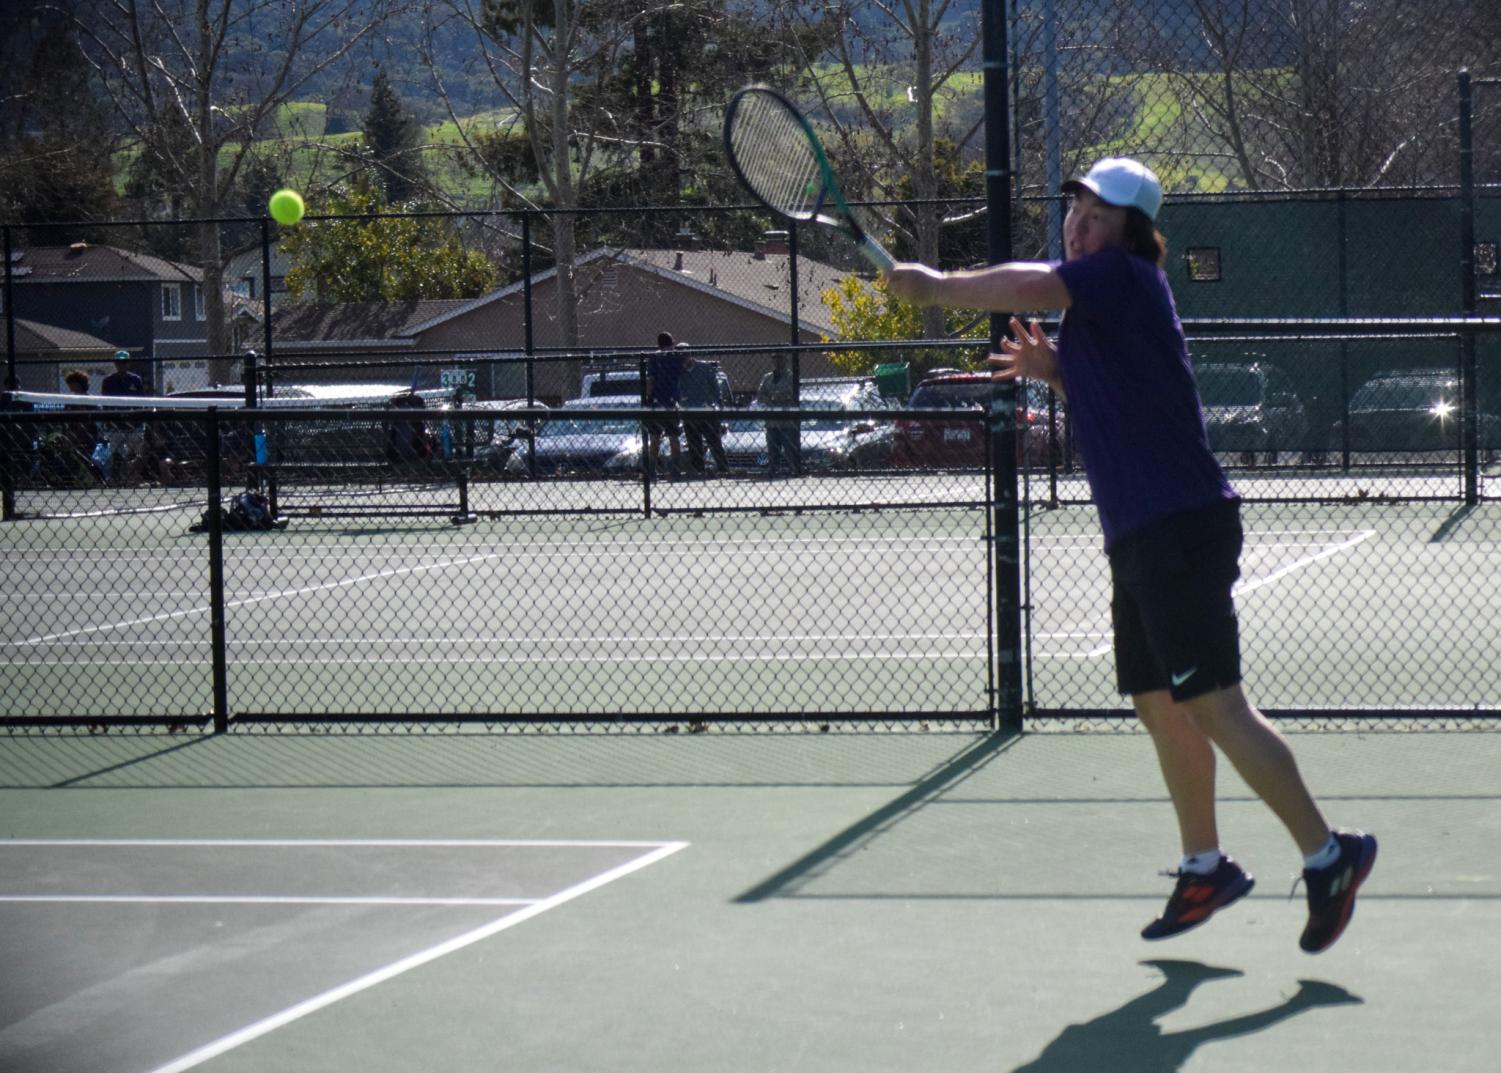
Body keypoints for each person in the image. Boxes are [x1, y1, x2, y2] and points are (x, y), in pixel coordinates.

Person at [884, 156, 1376, 954]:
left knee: (1215, 703)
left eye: (1099, 214)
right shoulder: (1101, 311)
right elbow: (1127, 396)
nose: (1080, 223)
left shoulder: (1118, 277)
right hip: (1142, 534)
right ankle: (1204, 866)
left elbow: (1026, 284)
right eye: (1075, 208)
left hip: (1178, 526)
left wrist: (937, 285)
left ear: (1132, 233)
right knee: (1157, 700)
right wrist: (1056, 370)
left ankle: (1329, 854)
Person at [676, 342, 729, 476]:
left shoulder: (704, 368)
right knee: (694, 444)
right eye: (680, 357)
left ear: (691, 354)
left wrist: (719, 406)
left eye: (685, 355)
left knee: (714, 442)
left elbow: (715, 389)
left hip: (707, 411)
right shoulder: (678, 372)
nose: (684, 359)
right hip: (689, 412)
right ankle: (699, 470)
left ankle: (724, 469)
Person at [100, 349, 147, 483]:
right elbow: (106, 403)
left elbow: (141, 401)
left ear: (128, 363)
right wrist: (110, 421)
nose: (122, 365)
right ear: (115, 363)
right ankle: (116, 479)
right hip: (115, 424)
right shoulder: (108, 381)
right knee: (116, 453)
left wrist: (137, 419)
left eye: (124, 362)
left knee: (134, 453)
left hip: (133, 424)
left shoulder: (135, 380)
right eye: (119, 362)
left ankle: (132, 477)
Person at [645, 331, 685, 477]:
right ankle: (676, 469)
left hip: (657, 402)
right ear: (672, 343)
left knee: (655, 436)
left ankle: (651, 469)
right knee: (673, 436)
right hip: (672, 401)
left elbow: (651, 379)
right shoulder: (676, 357)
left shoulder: (655, 357)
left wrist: (648, 397)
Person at [755, 352, 798, 478]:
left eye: (780, 358)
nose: (777, 361)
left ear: (786, 360)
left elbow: (790, 394)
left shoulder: (792, 377)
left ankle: (793, 469)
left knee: (789, 447)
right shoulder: (767, 377)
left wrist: (774, 396)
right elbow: (760, 395)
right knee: (772, 448)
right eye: (775, 358)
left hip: (786, 419)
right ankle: (773, 469)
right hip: (771, 420)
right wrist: (773, 397)